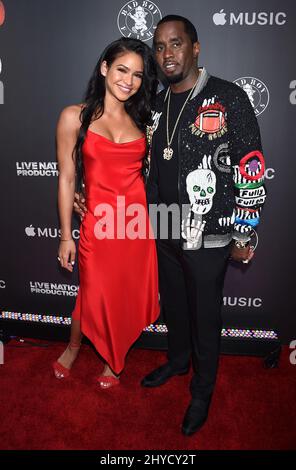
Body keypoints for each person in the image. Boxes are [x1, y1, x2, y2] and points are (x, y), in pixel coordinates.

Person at [74, 15, 266, 434]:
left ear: (196, 48)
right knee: (177, 306)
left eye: (176, 44)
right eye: (159, 47)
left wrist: (244, 231)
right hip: (162, 227)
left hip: (210, 231)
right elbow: (132, 165)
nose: (167, 54)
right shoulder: (155, 104)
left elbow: (251, 168)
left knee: (205, 314)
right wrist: (87, 191)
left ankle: (203, 391)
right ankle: (177, 363)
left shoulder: (227, 96)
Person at [53, 37, 159, 388]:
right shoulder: (74, 116)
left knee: (123, 293)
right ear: (104, 68)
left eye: (138, 75)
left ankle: (114, 360)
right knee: (92, 290)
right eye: (122, 70)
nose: (129, 80)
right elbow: (68, 178)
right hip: (99, 224)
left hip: (135, 227)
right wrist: (66, 234)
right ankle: (74, 345)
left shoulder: (144, 121)